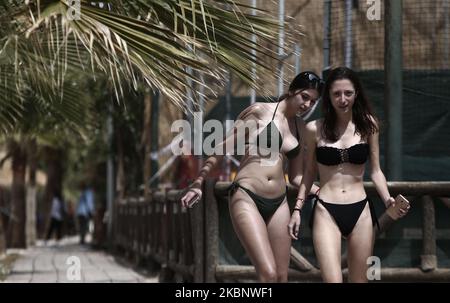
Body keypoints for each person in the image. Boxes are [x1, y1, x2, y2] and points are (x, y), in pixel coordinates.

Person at [181, 71, 324, 282]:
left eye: (313, 101)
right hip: (247, 196)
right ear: (292, 90)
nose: (307, 104)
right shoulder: (259, 112)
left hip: (279, 203)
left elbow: (295, 177)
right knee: (268, 274)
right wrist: (198, 183)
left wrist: (320, 190)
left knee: (282, 277)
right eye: (304, 97)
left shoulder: (301, 129)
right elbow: (221, 150)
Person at [288, 67, 410, 282]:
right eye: (336, 93)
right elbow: (308, 173)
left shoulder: (369, 125)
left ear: (356, 94)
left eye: (348, 93)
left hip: (360, 210)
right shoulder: (314, 129)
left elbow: (376, 171)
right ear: (329, 96)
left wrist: (387, 198)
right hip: (326, 209)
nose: (342, 99)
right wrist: (297, 209)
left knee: (360, 280)